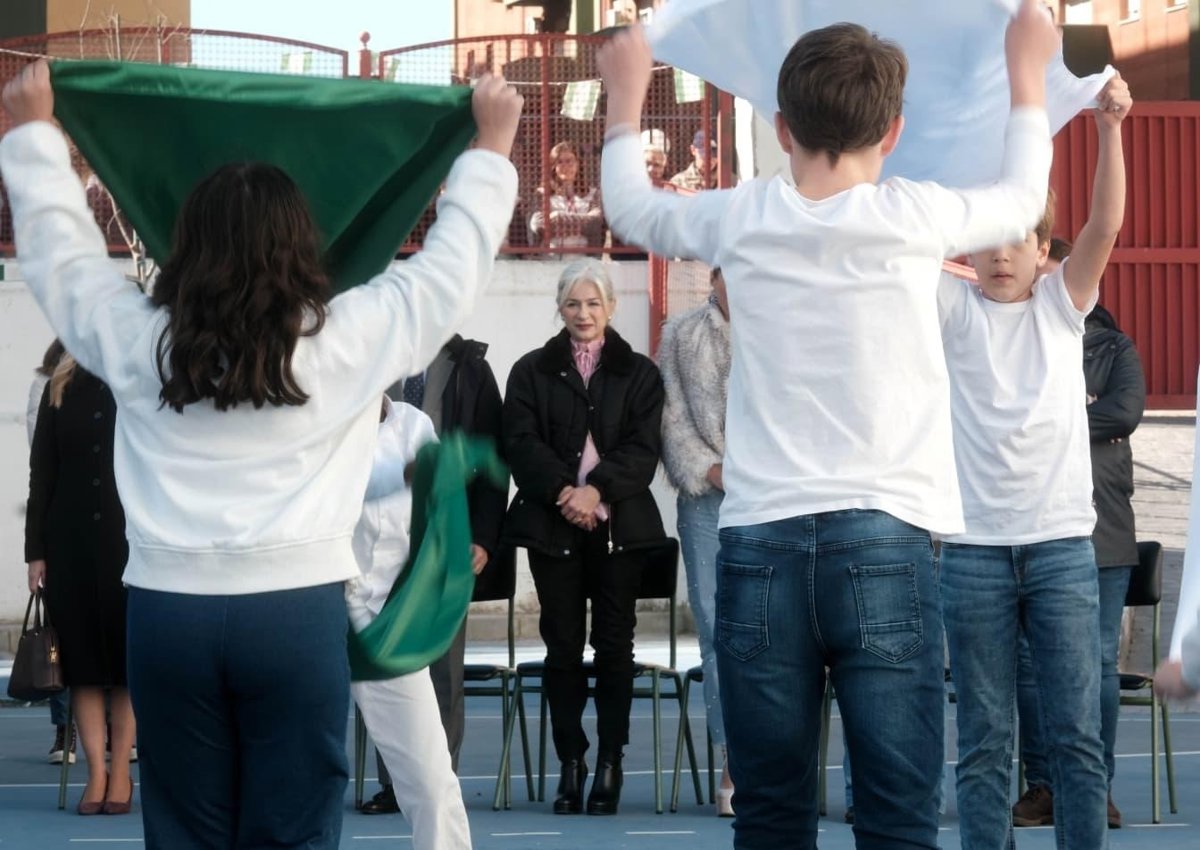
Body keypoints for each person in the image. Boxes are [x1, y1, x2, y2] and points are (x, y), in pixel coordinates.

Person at [0, 61, 522, 849]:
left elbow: (61, 262)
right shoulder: (340, 342)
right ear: (300, 244)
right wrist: (491, 146)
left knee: (187, 832)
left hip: (167, 611)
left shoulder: (142, 341)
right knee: (292, 831)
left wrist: (36, 136)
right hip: (294, 612)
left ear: (183, 242)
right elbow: (448, 275)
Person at [595, 8, 1059, 847]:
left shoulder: (741, 217)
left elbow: (631, 207)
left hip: (759, 540)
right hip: (885, 536)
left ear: (782, 129)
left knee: (771, 813)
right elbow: (1025, 197)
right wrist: (1026, 70)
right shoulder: (914, 215)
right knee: (898, 817)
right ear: (893, 132)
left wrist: (626, 98)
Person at [938, 72, 1131, 850]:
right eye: (986, 240)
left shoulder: (1061, 306)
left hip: (1059, 549)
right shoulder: (949, 308)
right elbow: (894, 240)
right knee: (985, 741)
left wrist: (1109, 129)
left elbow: (1105, 224)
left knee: (1076, 737)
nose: (1000, 254)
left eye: (1016, 238)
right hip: (973, 554)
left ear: (1043, 249)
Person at [502, 258, 665, 816]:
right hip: (553, 527)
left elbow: (644, 448)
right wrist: (565, 493)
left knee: (615, 646)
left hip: (620, 530)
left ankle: (610, 764)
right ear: (559, 308)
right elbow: (520, 443)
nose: (583, 313)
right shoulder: (530, 370)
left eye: (594, 303)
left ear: (612, 307)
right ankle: (570, 763)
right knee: (562, 647)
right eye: (573, 303)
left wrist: (596, 491)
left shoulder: (639, 373)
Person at [1011, 246, 1146, 831]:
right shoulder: (1014, 342)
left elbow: (1124, 413)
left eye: (1059, 280)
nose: (1051, 293)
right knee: (1029, 666)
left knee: (1097, 663)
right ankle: (1043, 785)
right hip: (1030, 523)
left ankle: (1096, 787)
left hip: (1103, 527)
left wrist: (1048, 418)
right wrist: (1074, 411)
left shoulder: (1114, 348)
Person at [363, 335, 507, 815]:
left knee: (442, 673)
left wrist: (480, 537)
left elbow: (487, 460)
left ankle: (440, 777)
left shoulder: (468, 367)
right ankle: (394, 783)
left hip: (436, 551)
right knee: (378, 676)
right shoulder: (366, 365)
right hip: (364, 562)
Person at [346, 395, 472, 849]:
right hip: (314, 616)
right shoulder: (314, 423)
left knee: (432, 781)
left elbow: (440, 518)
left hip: (388, 626)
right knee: (291, 782)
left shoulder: (413, 426)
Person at [25, 353, 137, 815]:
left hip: (129, 540)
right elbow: (42, 473)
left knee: (126, 662)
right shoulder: (59, 385)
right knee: (82, 664)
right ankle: (96, 773)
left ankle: (122, 772)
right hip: (67, 541)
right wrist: (35, 551)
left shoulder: (138, 378)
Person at [657, 267, 734, 816]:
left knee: (775, 634)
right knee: (716, 630)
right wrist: (710, 470)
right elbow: (671, 417)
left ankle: (773, 756)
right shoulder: (682, 333)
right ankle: (736, 759)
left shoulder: (786, 323)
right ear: (715, 276)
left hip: (775, 494)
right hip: (706, 497)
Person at [24, 338, 75, 766]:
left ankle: (111, 729)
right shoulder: (46, 386)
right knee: (57, 638)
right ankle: (64, 728)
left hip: (110, 528)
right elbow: (40, 459)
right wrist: (36, 550)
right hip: (64, 524)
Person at [528, 140, 606, 254]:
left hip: (584, 258)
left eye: (569, 161)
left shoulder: (593, 193)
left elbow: (595, 222)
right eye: (560, 162)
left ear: (578, 164)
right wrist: (582, 223)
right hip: (551, 258)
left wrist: (558, 217)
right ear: (553, 167)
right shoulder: (541, 194)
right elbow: (537, 225)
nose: (565, 166)